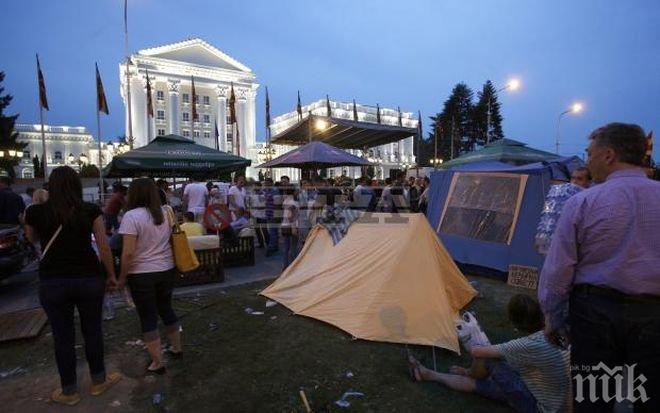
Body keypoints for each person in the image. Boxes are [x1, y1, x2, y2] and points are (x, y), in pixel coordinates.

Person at [538, 123, 660, 413]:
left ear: (608, 155)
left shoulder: (584, 202)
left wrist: (553, 317)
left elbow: (558, 270)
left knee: (595, 399)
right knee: (650, 398)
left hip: (596, 316)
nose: (587, 160)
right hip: (654, 316)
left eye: (589, 153)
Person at [24, 166, 122, 405]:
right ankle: (99, 381)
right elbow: (104, 245)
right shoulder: (89, 210)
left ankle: (69, 391)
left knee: (62, 336)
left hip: (53, 281)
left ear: (52, 186)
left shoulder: (35, 212)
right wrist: (111, 275)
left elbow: (32, 239)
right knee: (92, 331)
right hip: (88, 278)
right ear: (77, 186)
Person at [409, 294, 571, 413]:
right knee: (496, 371)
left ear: (514, 322)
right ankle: (432, 374)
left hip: (540, 407)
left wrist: (475, 333)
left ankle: (461, 374)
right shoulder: (559, 334)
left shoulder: (525, 346)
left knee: (487, 360)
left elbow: (477, 351)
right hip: (566, 402)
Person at [117, 178, 182, 375]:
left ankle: (157, 362)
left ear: (134, 194)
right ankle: (177, 348)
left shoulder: (131, 216)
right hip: (166, 269)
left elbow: (128, 253)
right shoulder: (165, 212)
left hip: (141, 273)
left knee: (148, 317)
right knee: (166, 308)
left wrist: (121, 278)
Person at [280, 187, 299, 269]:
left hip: (284, 225)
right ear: (293, 192)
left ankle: (285, 265)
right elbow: (290, 216)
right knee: (293, 246)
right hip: (291, 226)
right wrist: (294, 226)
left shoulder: (285, 201)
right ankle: (293, 265)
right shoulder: (293, 203)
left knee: (286, 247)